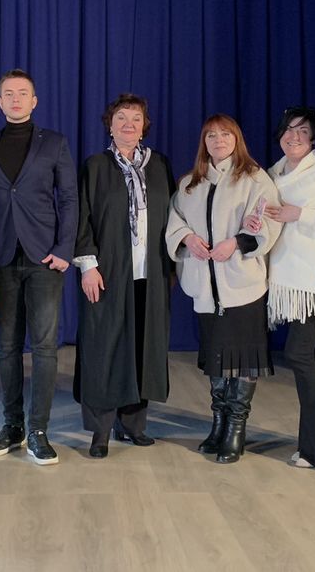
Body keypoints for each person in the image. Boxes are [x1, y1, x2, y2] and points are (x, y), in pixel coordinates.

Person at [0, 70, 78, 465]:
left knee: (45, 347)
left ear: (34, 101)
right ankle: (12, 425)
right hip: (0, 258)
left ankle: (39, 430)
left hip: (44, 258)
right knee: (8, 347)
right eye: (8, 94)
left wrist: (64, 248)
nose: (15, 99)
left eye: (23, 93)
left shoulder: (54, 142)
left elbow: (69, 198)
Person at [245, 106, 315, 469]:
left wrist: (301, 215)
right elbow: (265, 216)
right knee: (307, 356)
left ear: (313, 137)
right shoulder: (273, 174)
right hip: (291, 276)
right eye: (289, 130)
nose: (294, 136)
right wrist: (256, 221)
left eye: (303, 131)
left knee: (299, 354)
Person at [166, 114, 282, 464]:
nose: (218, 141)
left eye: (225, 134)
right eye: (211, 135)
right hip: (206, 288)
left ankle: (236, 428)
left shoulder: (254, 178)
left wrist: (237, 243)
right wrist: (187, 238)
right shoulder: (190, 183)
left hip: (242, 287)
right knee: (217, 359)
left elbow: (268, 221)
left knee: (243, 360)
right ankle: (218, 423)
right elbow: (175, 220)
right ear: (204, 142)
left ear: (237, 139)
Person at [73, 94, 176, 458]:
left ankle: (132, 424)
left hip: (151, 272)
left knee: (143, 348)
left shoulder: (159, 165)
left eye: (135, 119)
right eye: (121, 118)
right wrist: (88, 266)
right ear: (110, 125)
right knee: (104, 349)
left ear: (144, 127)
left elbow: (174, 216)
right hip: (108, 272)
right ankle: (100, 431)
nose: (128, 124)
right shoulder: (96, 166)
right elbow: (82, 218)